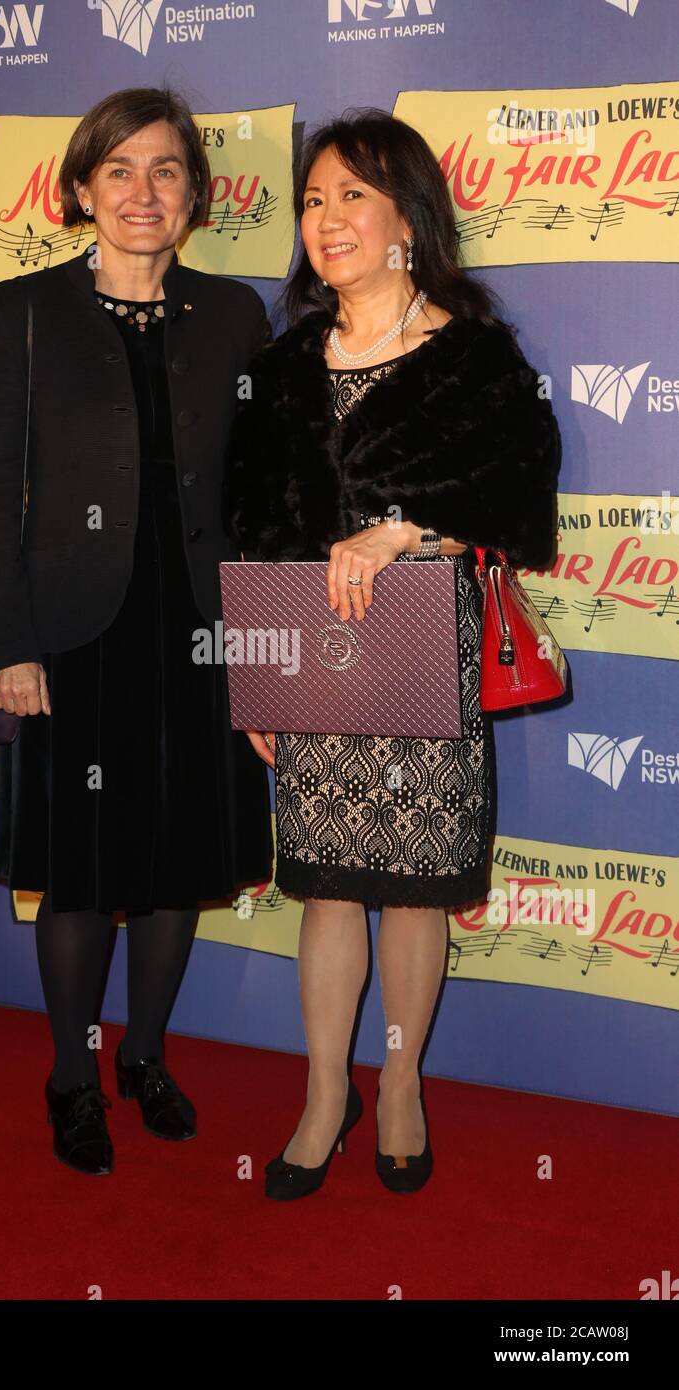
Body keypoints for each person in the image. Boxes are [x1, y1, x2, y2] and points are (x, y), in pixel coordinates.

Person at [222, 108, 562, 1200]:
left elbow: (518, 503)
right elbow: (249, 532)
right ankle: (325, 1095)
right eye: (312, 199)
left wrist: (402, 523)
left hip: (426, 649)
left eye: (350, 196)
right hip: (314, 658)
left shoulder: (472, 360)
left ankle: (401, 1083)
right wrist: (259, 671)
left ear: (407, 216)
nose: (326, 219)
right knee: (323, 889)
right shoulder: (276, 371)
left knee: (413, 891)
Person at [0, 86, 273, 1176]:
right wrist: (8, 643)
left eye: (166, 171)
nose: (143, 193)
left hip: (198, 628)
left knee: (180, 858)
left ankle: (144, 1057)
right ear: (82, 189)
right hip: (71, 634)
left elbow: (256, 493)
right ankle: (70, 1073)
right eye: (119, 171)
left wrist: (264, 654)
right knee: (83, 868)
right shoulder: (23, 312)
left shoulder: (236, 314)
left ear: (195, 193)